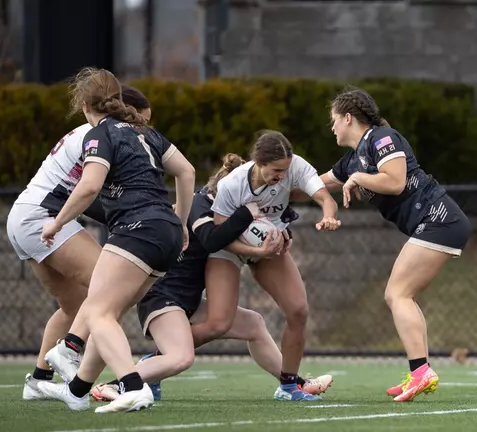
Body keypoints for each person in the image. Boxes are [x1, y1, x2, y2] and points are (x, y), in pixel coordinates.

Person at [91, 153, 333, 403]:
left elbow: (260, 224)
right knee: (181, 357)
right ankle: (116, 384)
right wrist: (254, 237)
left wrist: (281, 232)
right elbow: (213, 239)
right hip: (164, 297)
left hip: (189, 300)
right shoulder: (201, 205)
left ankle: (292, 385)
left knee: (254, 324)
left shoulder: (234, 208)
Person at [34, 67, 196, 413]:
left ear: (85, 106)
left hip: (136, 228)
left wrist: (56, 223)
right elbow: (187, 171)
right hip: (165, 231)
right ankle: (76, 386)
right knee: (102, 308)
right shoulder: (145, 132)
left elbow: (90, 186)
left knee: (100, 312)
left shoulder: (100, 134)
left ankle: (132, 385)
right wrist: (180, 223)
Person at [317, 87, 471, 402]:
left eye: (334, 120)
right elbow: (315, 184)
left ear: (348, 117)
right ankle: (419, 373)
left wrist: (359, 178)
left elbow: (395, 180)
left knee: (397, 293)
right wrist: (274, 185)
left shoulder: (382, 137)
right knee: (400, 295)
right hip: (434, 224)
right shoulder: (353, 159)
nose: (332, 127)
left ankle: (421, 373)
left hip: (441, 219)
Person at [5, 85, 153, 401]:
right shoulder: (102, 136)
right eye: (138, 121)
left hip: (27, 216)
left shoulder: (96, 132)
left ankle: (39, 380)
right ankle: (112, 376)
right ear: (120, 110)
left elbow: (94, 197)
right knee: (107, 289)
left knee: (75, 308)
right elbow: (90, 192)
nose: (141, 131)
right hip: (42, 217)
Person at [190, 130, 340, 402]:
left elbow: (325, 198)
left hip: (269, 247)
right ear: (258, 162)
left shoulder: (295, 167)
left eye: (285, 170)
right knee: (219, 323)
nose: (282, 176)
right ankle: (158, 361)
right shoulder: (232, 184)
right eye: (275, 171)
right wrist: (256, 250)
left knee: (298, 311)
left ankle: (289, 386)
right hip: (231, 248)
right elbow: (221, 237)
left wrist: (329, 216)